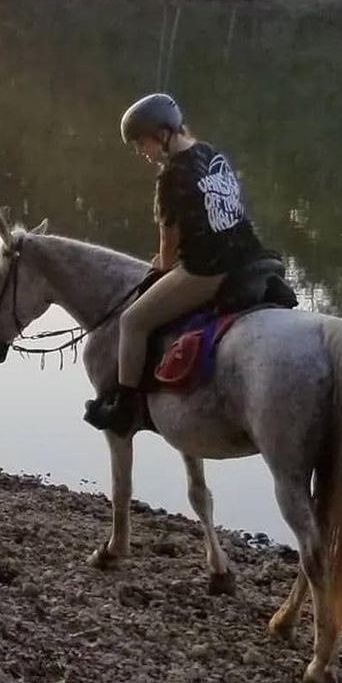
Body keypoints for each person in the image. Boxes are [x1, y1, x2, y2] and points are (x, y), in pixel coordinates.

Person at [84, 92, 263, 436]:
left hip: (209, 269)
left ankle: (124, 407)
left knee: (133, 320)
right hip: (249, 258)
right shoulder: (211, 154)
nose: (141, 152)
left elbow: (167, 247)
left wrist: (163, 267)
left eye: (142, 143)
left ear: (163, 134)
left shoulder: (171, 177)